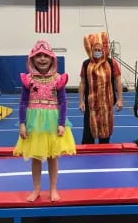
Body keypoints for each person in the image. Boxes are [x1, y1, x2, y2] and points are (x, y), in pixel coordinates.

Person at [14, 40, 76, 202]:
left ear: (52, 58)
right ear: (32, 59)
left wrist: (61, 123)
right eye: (38, 56)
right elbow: (22, 102)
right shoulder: (29, 79)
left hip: (52, 121)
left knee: (52, 157)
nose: (42, 59)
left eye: (46, 56)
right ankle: (36, 189)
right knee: (36, 157)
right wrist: (22, 123)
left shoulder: (58, 79)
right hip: (34, 121)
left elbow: (63, 102)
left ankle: (53, 189)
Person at [78, 32, 123, 144]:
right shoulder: (86, 64)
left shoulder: (111, 63)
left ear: (104, 49)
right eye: (95, 50)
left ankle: (104, 148)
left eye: (99, 50)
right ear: (91, 49)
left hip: (107, 104)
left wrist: (119, 99)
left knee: (105, 132)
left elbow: (118, 81)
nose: (97, 52)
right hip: (91, 104)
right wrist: (81, 101)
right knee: (88, 134)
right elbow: (82, 83)